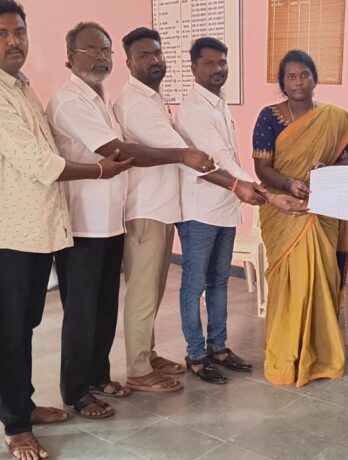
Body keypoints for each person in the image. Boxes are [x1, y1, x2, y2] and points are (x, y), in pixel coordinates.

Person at [0, 1, 131, 458]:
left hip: (38, 227)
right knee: (11, 331)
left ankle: (26, 405)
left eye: (19, 32)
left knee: (28, 324)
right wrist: (99, 170)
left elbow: (45, 151)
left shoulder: (20, 86)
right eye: (1, 34)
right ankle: (16, 426)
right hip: (7, 231)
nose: (14, 41)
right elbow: (39, 162)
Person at [112, 27, 217, 394]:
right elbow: (180, 150)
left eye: (157, 53)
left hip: (162, 207)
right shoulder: (134, 103)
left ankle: (148, 354)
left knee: (154, 288)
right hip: (145, 209)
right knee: (142, 292)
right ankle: (138, 369)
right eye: (144, 55)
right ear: (129, 63)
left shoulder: (153, 98)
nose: (154, 60)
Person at [253, 49, 348, 387]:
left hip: (322, 207)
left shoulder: (333, 118)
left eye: (305, 75)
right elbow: (262, 168)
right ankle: (287, 355)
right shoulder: (269, 117)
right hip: (283, 207)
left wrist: (327, 168)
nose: (299, 81)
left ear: (315, 78)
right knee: (291, 280)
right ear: (282, 83)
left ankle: (320, 355)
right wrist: (288, 184)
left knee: (321, 276)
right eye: (291, 76)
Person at [174, 37, 267, 384]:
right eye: (209, 63)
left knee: (219, 280)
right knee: (194, 283)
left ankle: (219, 347)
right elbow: (220, 162)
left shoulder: (219, 103)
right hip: (199, 211)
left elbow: (230, 159)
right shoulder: (193, 110)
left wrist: (250, 187)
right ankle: (196, 355)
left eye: (222, 62)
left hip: (224, 207)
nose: (218, 69)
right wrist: (260, 189)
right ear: (194, 68)